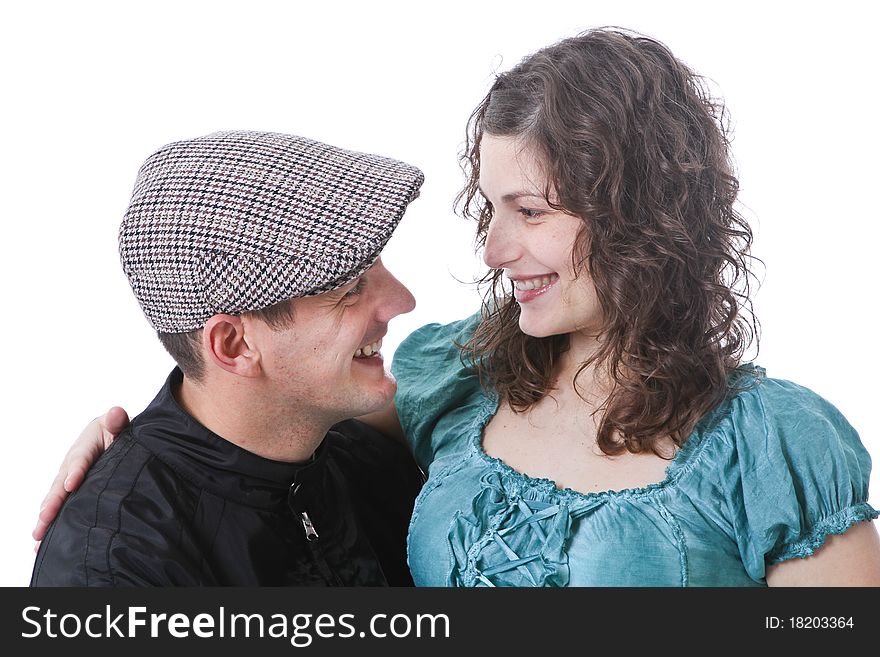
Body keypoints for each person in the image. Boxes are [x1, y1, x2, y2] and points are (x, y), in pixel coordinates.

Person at [36, 29, 880, 586]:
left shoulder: (775, 443)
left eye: (532, 212)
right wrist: (125, 468)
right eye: (491, 209)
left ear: (642, 218)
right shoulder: (458, 381)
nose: (492, 250)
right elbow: (238, 420)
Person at [30, 130, 426, 586]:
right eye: (350, 289)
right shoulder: (116, 568)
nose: (403, 300)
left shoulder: (364, 453)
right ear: (235, 346)